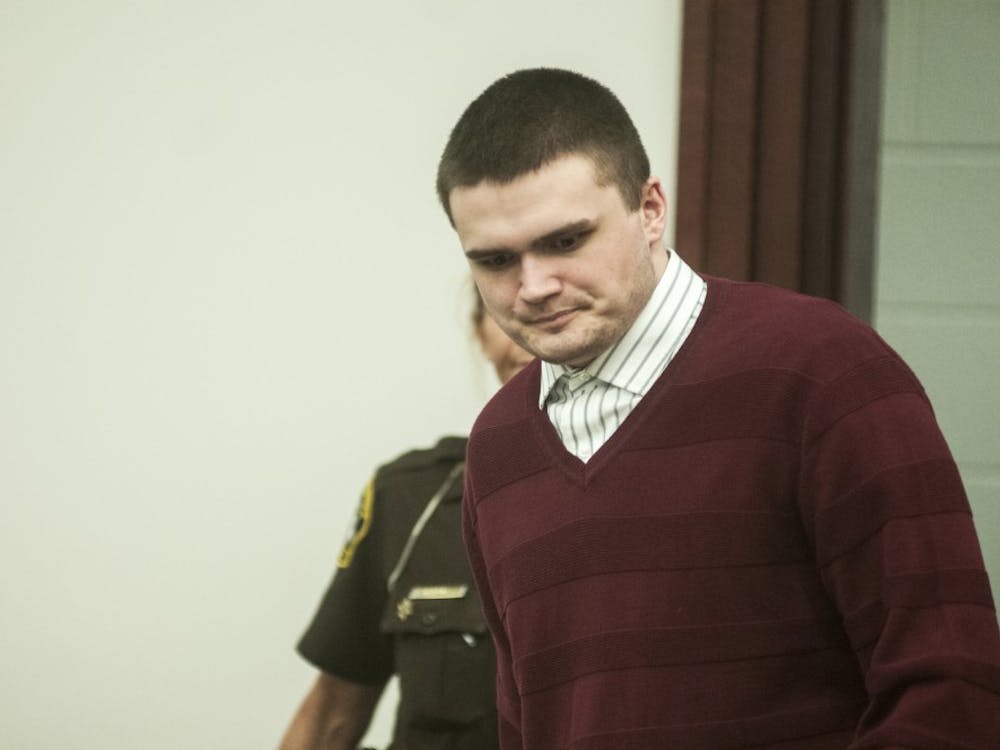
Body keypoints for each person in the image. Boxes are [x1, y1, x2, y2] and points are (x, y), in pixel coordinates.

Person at [437, 67, 1000, 749]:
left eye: (565, 241)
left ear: (650, 208)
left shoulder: (820, 371)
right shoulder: (498, 446)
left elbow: (952, 691)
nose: (534, 286)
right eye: (497, 260)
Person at [278, 292, 533, 750]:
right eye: (503, 303)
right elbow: (333, 713)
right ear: (479, 332)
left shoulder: (653, 485)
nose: (532, 317)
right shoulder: (410, 496)